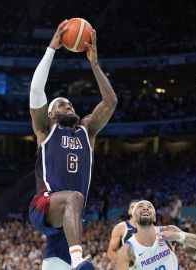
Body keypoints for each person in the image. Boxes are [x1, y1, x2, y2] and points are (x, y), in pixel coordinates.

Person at [28, 19, 118, 270]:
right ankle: (80, 259)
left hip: (71, 214)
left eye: (71, 104)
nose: (69, 106)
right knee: (73, 199)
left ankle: (73, 261)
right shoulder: (46, 129)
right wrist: (51, 49)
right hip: (44, 205)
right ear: (51, 114)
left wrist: (95, 64)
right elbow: (36, 90)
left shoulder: (87, 130)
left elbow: (110, 102)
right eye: (62, 104)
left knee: (57, 259)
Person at [116, 200, 196, 270]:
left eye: (149, 207)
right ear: (134, 218)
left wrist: (178, 236)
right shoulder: (126, 250)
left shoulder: (169, 230)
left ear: (154, 218)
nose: (145, 208)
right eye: (140, 207)